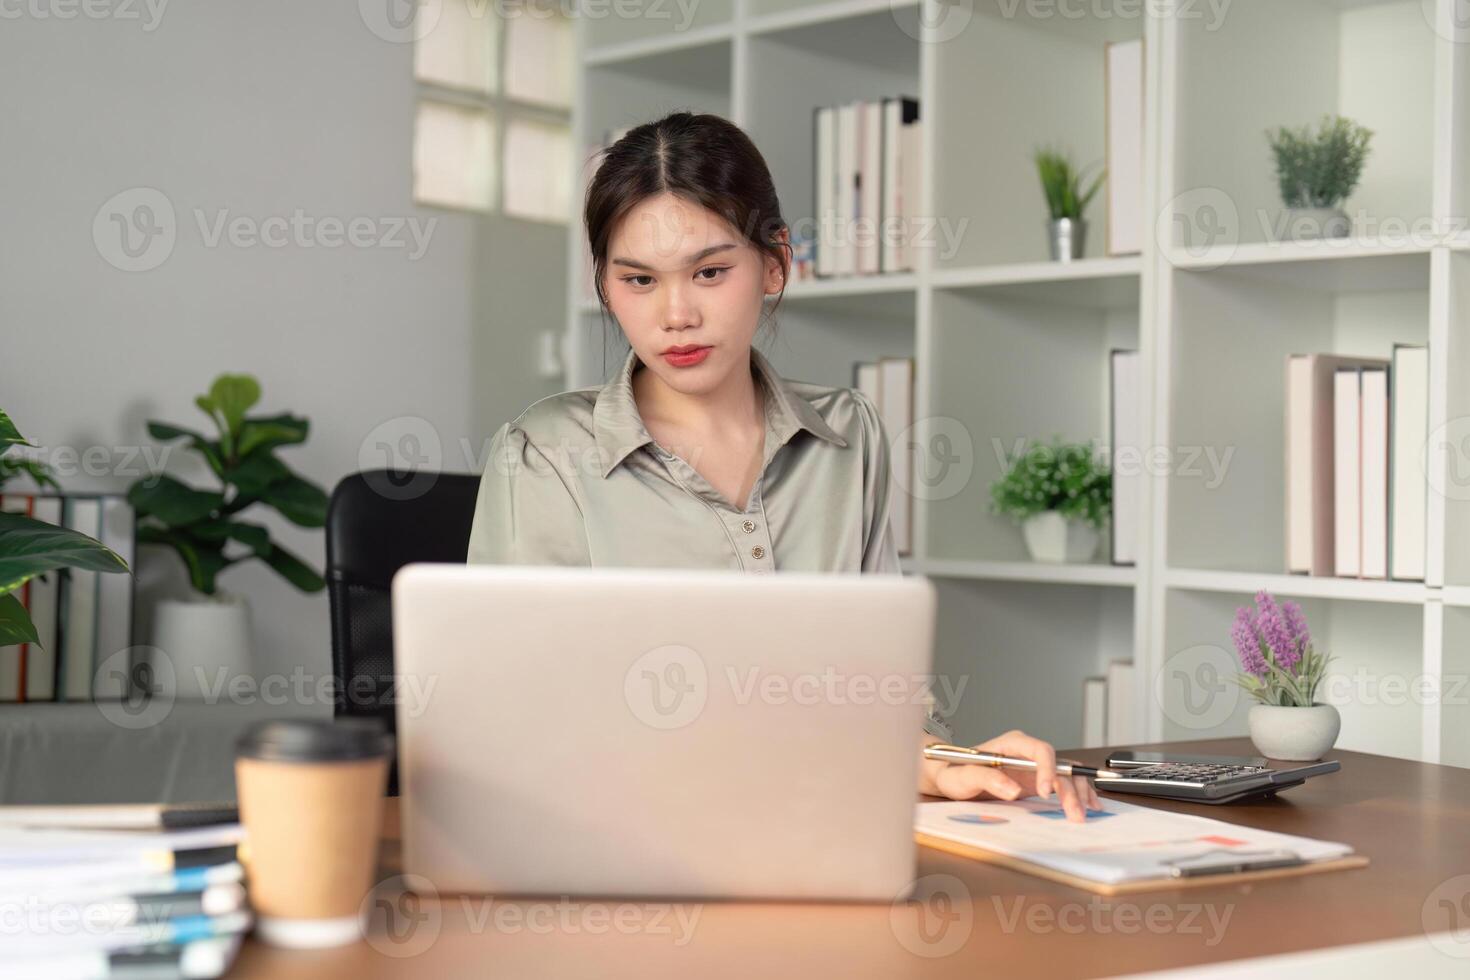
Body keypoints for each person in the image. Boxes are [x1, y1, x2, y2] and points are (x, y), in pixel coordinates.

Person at [466, 111, 1101, 822]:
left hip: (820, 824)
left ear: (774, 265)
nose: (675, 314)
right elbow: (515, 723)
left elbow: (878, 686)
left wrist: (948, 764)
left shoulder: (846, 436)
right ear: (606, 287)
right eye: (639, 280)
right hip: (623, 843)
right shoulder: (546, 453)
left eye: (710, 272)